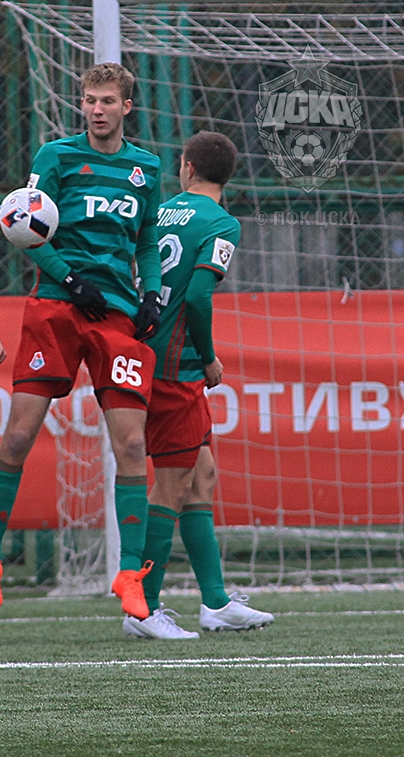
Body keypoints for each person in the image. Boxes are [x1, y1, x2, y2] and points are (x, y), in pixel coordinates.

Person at [0, 62, 165, 621]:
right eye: (89, 100)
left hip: (115, 315)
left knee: (132, 447)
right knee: (18, 436)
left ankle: (129, 576)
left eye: (107, 101)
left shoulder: (147, 168)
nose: (97, 109)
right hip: (57, 306)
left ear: (127, 107)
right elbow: (25, 225)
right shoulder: (55, 157)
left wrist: (152, 293)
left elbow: (148, 239)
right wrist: (71, 278)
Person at [126, 131, 274, 638]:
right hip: (176, 368)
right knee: (171, 484)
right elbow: (197, 297)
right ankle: (142, 609)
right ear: (227, 176)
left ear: (187, 167)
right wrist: (208, 358)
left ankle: (215, 602)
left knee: (201, 475)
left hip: (145, 354)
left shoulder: (161, 212)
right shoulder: (221, 222)